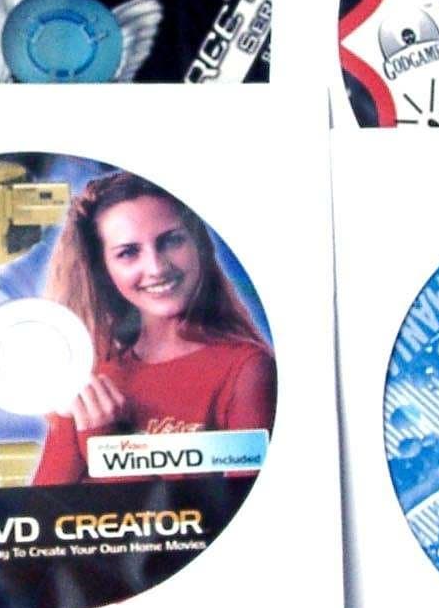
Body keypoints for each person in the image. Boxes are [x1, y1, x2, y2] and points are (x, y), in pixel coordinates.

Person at [31, 170, 275, 485]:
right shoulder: (94, 378)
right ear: (103, 269)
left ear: (199, 246)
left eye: (171, 241)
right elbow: (42, 510)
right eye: (128, 253)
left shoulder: (247, 370)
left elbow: (249, 505)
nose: (157, 267)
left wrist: (107, 446)